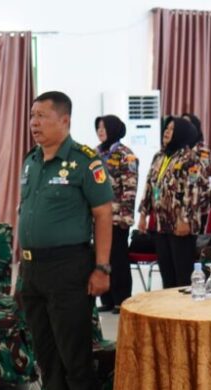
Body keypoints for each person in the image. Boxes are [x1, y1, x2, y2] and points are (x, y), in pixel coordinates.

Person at [18, 91, 113, 390]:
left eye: (42, 116)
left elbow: (103, 215)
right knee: (47, 353)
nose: (34, 123)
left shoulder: (85, 162)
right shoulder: (31, 161)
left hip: (69, 267)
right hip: (33, 269)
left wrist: (102, 268)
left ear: (65, 120)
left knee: (73, 353)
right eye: (32, 116)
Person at [137, 117, 208, 288]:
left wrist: (185, 219)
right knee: (167, 274)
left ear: (181, 133)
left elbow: (194, 192)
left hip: (181, 225)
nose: (167, 132)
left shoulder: (190, 159)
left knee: (182, 276)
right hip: (161, 224)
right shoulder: (159, 156)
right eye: (166, 128)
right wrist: (143, 215)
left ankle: (184, 306)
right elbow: (149, 185)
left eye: (172, 129)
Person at [94, 114, 138, 314]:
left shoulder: (125, 154)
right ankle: (108, 299)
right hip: (98, 216)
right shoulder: (96, 153)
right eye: (98, 128)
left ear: (113, 129)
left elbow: (129, 188)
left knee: (118, 259)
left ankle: (122, 299)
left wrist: (126, 218)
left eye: (104, 127)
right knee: (102, 258)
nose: (100, 131)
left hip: (118, 217)